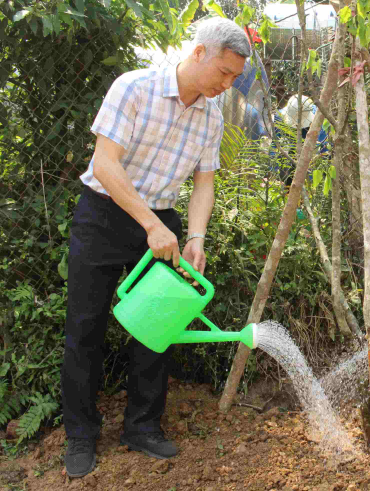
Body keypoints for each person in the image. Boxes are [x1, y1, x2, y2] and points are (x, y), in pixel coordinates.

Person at [62, 17, 250, 478]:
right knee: (85, 328)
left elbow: (204, 183)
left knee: (159, 327)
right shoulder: (135, 88)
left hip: (161, 221)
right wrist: (149, 224)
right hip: (105, 213)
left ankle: (142, 428)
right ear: (200, 53)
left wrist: (196, 237)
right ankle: (80, 436)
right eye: (224, 73)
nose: (227, 85)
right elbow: (105, 164)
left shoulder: (211, 115)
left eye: (235, 78)